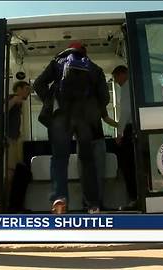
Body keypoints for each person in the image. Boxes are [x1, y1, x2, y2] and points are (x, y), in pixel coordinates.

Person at [34, 42, 110, 214]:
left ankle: (60, 199)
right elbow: (105, 98)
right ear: (84, 52)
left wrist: (52, 100)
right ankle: (92, 204)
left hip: (60, 117)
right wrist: (90, 108)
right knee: (87, 161)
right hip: (84, 121)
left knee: (60, 159)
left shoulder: (57, 63)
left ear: (67, 50)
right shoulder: (95, 68)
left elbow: (38, 84)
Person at [111, 65, 137, 209]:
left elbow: (126, 111)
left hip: (130, 129)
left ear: (123, 74)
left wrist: (120, 133)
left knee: (128, 166)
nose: (116, 81)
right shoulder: (134, 87)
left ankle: (133, 197)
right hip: (133, 127)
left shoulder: (127, 87)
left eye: (116, 77)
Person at [6, 81, 31, 212]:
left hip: (15, 140)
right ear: (19, 89)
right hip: (9, 140)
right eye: (26, 88)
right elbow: (3, 111)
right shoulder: (12, 99)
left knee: (18, 171)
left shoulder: (20, 105)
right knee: (10, 173)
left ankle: (14, 204)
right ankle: (8, 205)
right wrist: (14, 100)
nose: (29, 91)